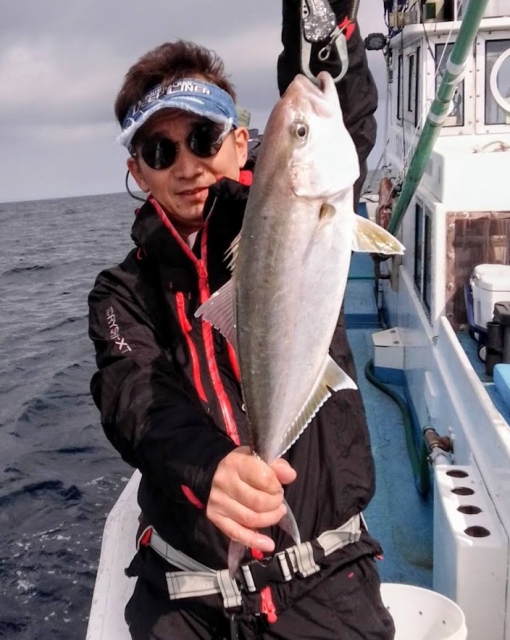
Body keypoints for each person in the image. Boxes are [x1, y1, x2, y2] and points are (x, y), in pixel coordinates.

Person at [88, 38, 394, 639]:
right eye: (160, 151)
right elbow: (132, 396)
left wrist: (329, 24)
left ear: (238, 141)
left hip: (325, 577)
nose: (186, 166)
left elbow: (342, 111)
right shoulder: (121, 293)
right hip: (185, 591)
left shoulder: (293, 205)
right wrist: (212, 468)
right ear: (137, 171)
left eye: (204, 138)